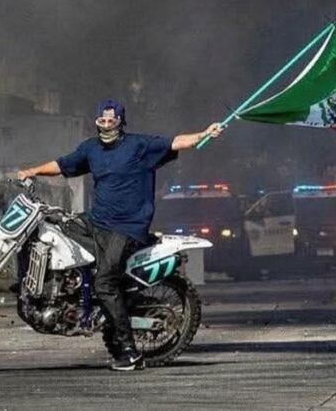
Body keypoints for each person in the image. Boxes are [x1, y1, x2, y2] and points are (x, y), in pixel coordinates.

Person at [17, 99, 223, 371]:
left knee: (106, 282)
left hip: (126, 228)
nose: (105, 125)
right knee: (53, 229)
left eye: (111, 121)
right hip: (95, 222)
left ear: (121, 122)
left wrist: (204, 134)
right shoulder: (91, 149)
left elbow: (176, 143)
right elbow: (63, 164)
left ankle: (129, 352)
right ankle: (75, 295)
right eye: (101, 121)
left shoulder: (139, 146)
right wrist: (32, 171)